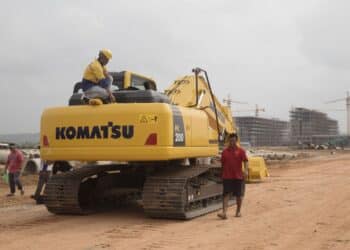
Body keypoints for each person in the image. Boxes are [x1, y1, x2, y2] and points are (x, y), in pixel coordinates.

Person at [217, 133, 249, 219]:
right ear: (228, 141)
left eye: (234, 141)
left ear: (236, 141)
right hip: (227, 177)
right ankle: (224, 213)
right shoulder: (224, 152)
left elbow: (245, 161)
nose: (232, 142)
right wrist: (222, 174)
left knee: (239, 195)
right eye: (230, 141)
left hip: (238, 177)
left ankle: (238, 212)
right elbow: (222, 164)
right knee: (226, 194)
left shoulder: (241, 151)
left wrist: (246, 170)